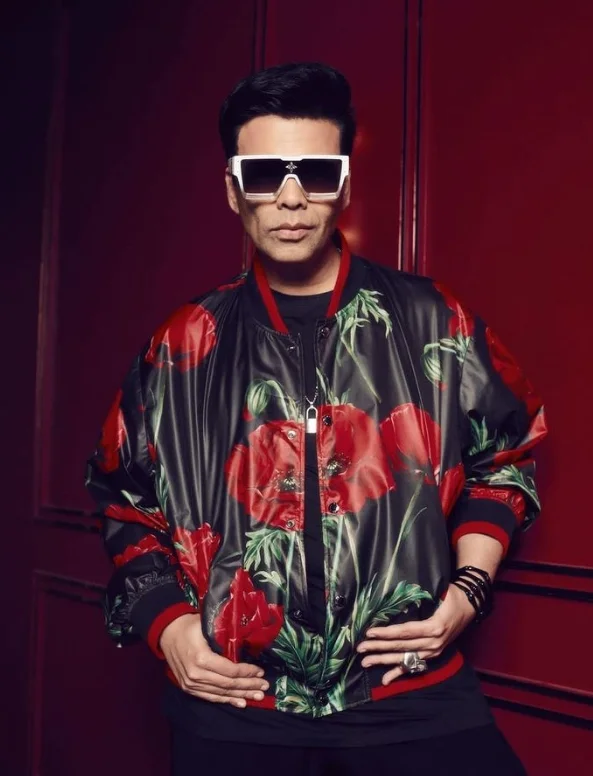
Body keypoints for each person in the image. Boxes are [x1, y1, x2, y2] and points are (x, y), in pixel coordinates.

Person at [85, 62, 547, 775]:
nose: (292, 198)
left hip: (408, 692)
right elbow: (124, 498)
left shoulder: (434, 320)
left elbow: (505, 460)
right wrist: (169, 628)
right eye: (265, 174)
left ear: (345, 186)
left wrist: (467, 594)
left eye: (317, 173)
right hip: (235, 702)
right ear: (233, 190)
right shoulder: (184, 342)